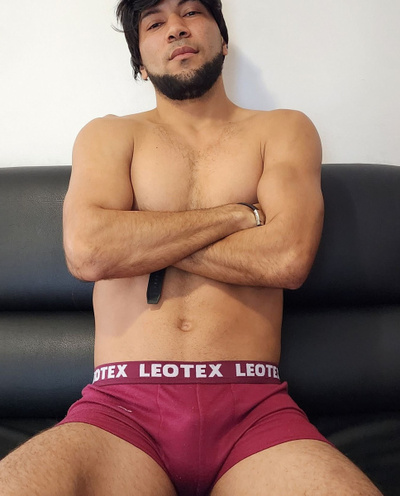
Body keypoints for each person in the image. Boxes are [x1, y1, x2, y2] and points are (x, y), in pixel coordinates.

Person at [0, 1, 383, 495]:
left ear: (223, 40)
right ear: (140, 62)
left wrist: (138, 237)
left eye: (192, 13)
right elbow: (89, 252)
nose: (176, 29)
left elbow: (286, 258)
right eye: (155, 23)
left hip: (253, 411)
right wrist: (238, 215)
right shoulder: (108, 134)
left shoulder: (283, 130)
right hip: (121, 411)